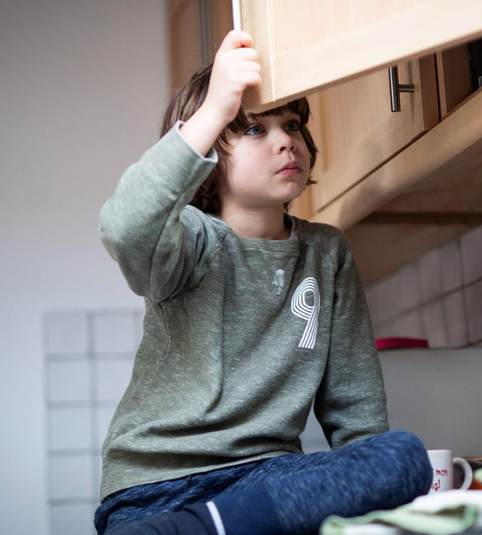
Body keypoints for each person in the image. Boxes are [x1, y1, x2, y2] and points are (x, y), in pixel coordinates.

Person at [94, 29, 432, 535]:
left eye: (292, 124)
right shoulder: (188, 239)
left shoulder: (326, 251)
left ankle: (206, 529)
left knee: (403, 457)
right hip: (155, 488)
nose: (285, 141)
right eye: (255, 129)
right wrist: (213, 109)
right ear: (210, 149)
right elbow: (124, 225)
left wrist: (373, 492)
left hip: (266, 481)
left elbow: (355, 408)